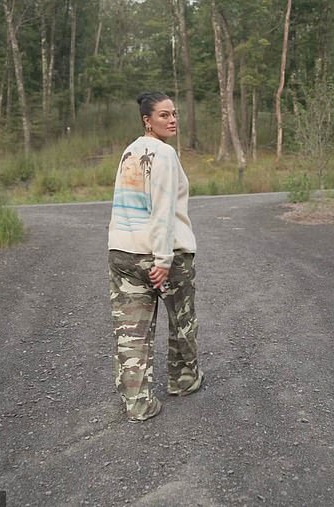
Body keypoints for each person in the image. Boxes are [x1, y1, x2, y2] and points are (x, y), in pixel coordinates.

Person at [108, 91, 204, 422]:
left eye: (174, 114)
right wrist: (163, 260)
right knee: (182, 319)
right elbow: (162, 211)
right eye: (163, 115)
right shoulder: (163, 154)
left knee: (131, 331)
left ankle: (137, 403)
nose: (173, 119)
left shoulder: (129, 152)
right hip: (163, 255)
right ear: (147, 121)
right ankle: (183, 380)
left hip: (122, 253)